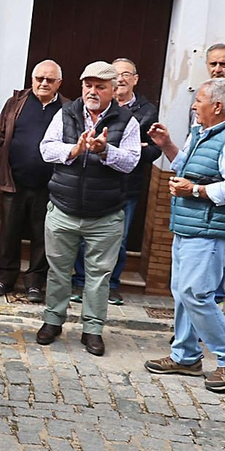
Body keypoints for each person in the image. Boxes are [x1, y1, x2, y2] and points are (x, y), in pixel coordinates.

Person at [144, 78, 225, 392]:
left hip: (212, 229)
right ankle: (185, 356)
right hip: (192, 225)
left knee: (197, 294)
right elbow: (189, 167)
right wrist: (167, 145)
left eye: (199, 100)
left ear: (217, 106)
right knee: (182, 291)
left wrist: (195, 191)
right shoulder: (204, 133)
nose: (194, 105)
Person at [35, 61, 140, 357]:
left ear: (113, 90)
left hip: (105, 213)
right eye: (88, 85)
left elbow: (131, 161)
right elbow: (46, 149)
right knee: (57, 271)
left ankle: (92, 329)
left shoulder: (127, 120)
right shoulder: (66, 112)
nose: (92, 91)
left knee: (99, 275)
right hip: (63, 208)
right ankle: (52, 321)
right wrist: (76, 149)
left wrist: (105, 150)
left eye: (100, 87)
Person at [71, 57, 161, 306]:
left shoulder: (146, 111)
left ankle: (111, 285)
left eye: (126, 74)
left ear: (135, 79)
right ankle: (80, 282)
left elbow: (154, 150)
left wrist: (126, 151)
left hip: (126, 186)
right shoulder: (88, 107)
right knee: (84, 235)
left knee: (118, 239)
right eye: (116, 74)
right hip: (90, 184)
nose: (120, 78)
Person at [0, 61, 65, 298]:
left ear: (58, 83)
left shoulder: (66, 108)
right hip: (15, 182)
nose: (44, 83)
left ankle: (35, 283)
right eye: (40, 78)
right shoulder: (16, 103)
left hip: (49, 186)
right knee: (9, 233)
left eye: (50, 80)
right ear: (32, 79)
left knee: (43, 237)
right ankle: (4, 279)